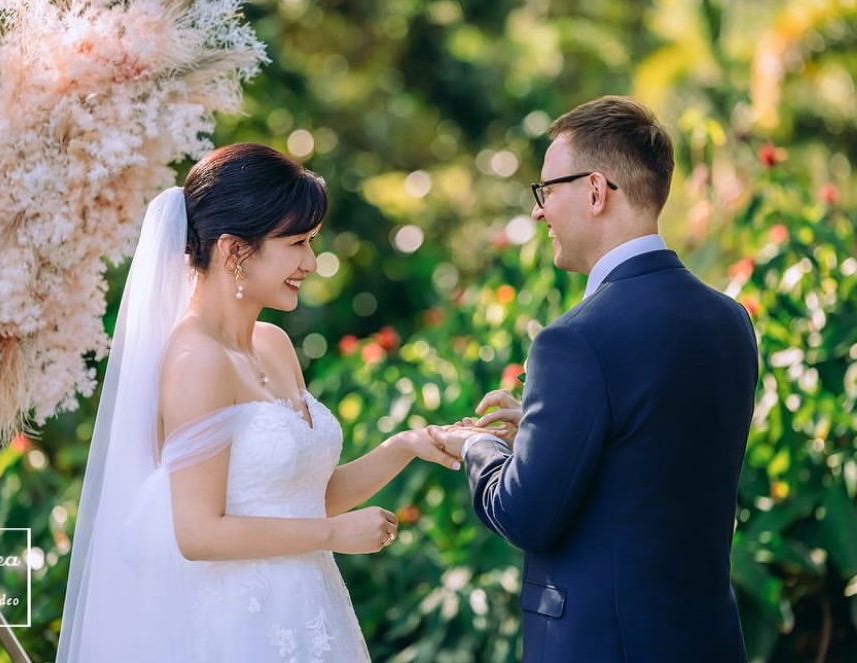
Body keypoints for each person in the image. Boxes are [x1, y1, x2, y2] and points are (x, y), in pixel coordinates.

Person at [56, 143, 461, 662]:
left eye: (311, 242)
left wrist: (411, 444)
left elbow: (300, 499)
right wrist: (334, 534)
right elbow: (198, 533)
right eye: (297, 243)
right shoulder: (196, 360)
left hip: (310, 608)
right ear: (234, 251)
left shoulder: (272, 343)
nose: (311, 263)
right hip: (239, 627)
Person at [427, 96, 758, 663]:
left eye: (547, 191)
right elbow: (650, 461)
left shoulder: (573, 340)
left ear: (596, 190)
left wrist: (476, 445)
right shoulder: (730, 319)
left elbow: (525, 513)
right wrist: (536, 432)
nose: (539, 212)